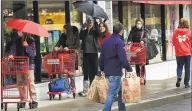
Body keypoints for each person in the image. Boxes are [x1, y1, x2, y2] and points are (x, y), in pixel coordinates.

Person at [99, 23, 132, 111]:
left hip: (108, 70)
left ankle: (122, 109)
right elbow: (122, 57)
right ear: (121, 32)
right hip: (115, 70)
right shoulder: (119, 42)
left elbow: (101, 57)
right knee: (112, 93)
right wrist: (128, 67)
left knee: (120, 91)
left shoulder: (106, 41)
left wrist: (102, 68)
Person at [9, 31, 38, 108]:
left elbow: (33, 54)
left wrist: (27, 46)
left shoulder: (31, 41)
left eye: (21, 31)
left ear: (25, 32)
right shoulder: (17, 41)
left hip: (28, 66)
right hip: (19, 65)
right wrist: (11, 55)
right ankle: (23, 99)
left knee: (30, 83)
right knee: (20, 84)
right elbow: (13, 50)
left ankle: (34, 100)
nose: (19, 32)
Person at [54, 24, 80, 95]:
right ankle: (63, 87)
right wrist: (56, 47)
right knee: (62, 72)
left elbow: (77, 45)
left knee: (71, 73)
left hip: (72, 56)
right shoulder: (63, 36)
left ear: (68, 30)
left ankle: (72, 88)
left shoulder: (75, 36)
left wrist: (69, 48)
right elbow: (59, 43)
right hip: (63, 56)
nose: (63, 30)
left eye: (64, 29)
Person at [78, 16, 101, 97]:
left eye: (91, 21)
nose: (90, 22)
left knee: (94, 71)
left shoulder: (94, 31)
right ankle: (85, 90)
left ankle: (94, 89)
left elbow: (99, 34)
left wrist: (97, 23)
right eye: (89, 21)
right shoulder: (84, 31)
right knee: (86, 71)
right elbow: (80, 36)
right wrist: (82, 28)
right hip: (86, 53)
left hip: (94, 53)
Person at [172, 18, 192, 88]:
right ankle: (186, 83)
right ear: (187, 24)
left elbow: (173, 43)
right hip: (187, 53)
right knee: (187, 68)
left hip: (179, 53)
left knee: (179, 66)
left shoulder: (175, 32)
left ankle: (179, 77)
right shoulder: (189, 32)